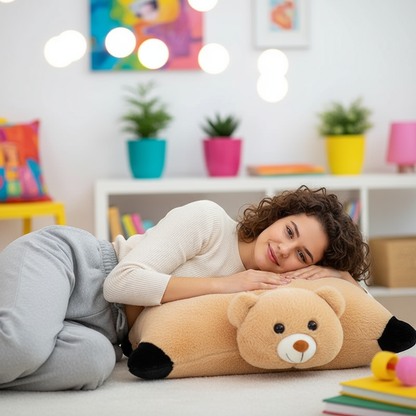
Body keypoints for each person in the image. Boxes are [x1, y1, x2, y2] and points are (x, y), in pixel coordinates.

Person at [0, 186, 370, 391]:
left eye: (301, 255)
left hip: (107, 332)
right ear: (278, 217)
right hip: (74, 266)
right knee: (23, 347)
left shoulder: (271, 288)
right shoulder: (209, 221)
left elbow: (361, 315)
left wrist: (343, 277)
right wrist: (226, 285)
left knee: (93, 365)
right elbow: (120, 283)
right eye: (289, 231)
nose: (284, 249)